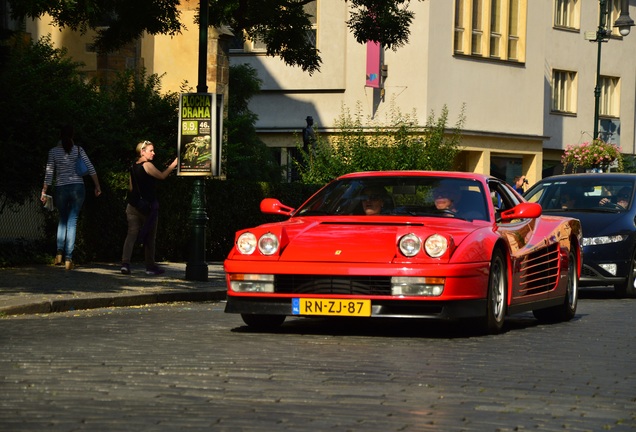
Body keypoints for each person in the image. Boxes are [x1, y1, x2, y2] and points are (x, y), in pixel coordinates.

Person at [41, 124, 101, 270]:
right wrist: (97, 186)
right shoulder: (79, 150)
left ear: (59, 135)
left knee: (62, 219)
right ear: (73, 135)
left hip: (61, 188)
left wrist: (44, 191)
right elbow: (91, 167)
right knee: (72, 221)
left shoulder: (53, 152)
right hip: (77, 188)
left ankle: (59, 254)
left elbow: (49, 174)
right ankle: (69, 259)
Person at [120, 140, 178, 275]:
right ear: (142, 151)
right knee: (150, 237)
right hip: (147, 208)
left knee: (131, 235)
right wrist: (173, 165)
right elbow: (162, 176)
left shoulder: (133, 166)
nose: (153, 153)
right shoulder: (147, 165)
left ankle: (125, 263)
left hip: (133, 206)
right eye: (150, 150)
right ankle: (150, 266)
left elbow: (131, 187)